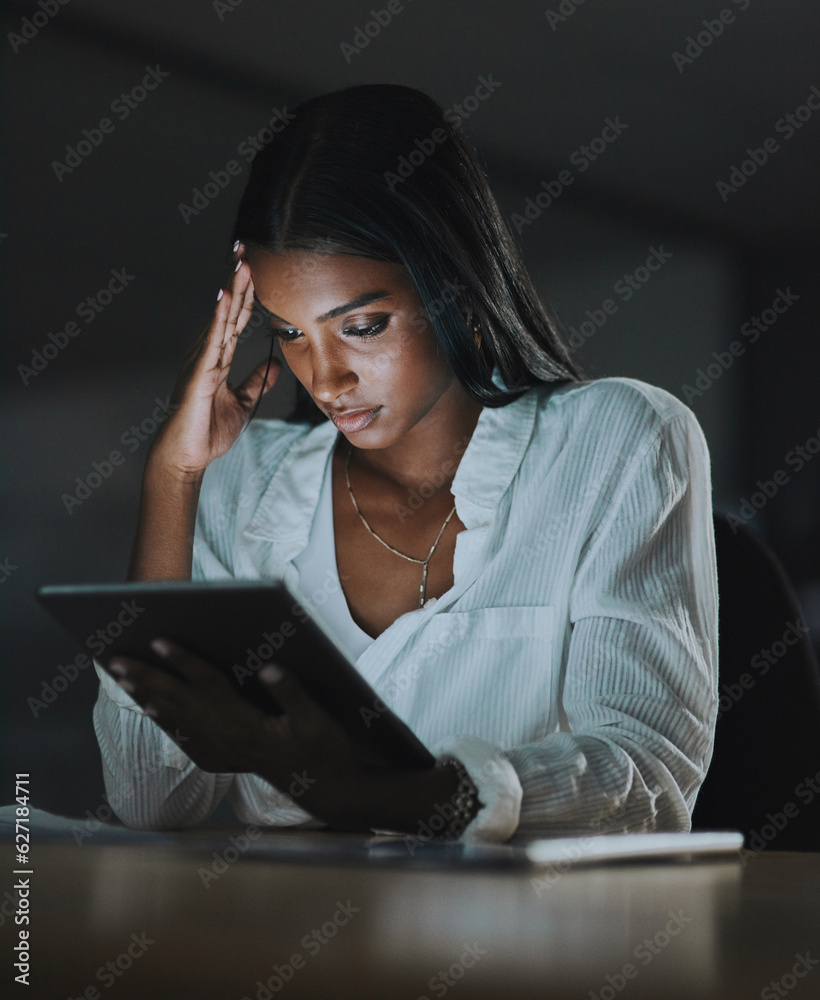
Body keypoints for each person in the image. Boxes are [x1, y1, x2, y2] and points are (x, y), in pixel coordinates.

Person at [92, 84, 719, 844]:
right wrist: (174, 478)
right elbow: (151, 799)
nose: (324, 380)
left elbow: (647, 775)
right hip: (277, 951)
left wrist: (384, 796)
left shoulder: (615, 442)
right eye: (288, 333)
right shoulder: (238, 480)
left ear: (451, 284)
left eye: (360, 326)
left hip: (529, 953)